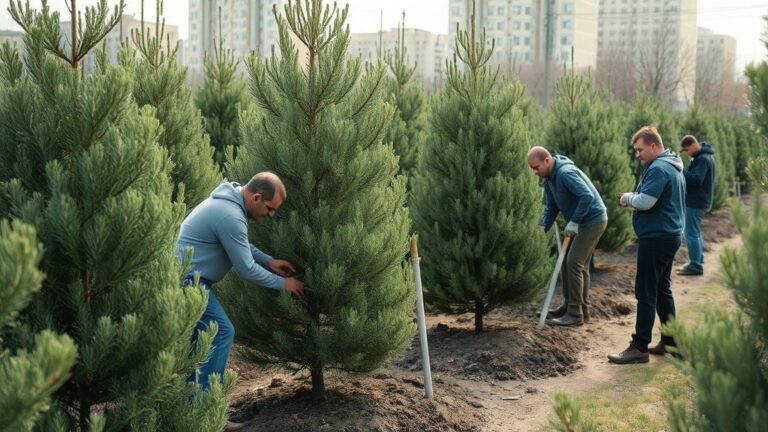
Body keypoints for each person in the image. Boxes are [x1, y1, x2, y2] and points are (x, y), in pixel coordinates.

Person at [177, 172, 303, 431]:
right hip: (189, 281)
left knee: (197, 346)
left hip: (188, 278)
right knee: (222, 332)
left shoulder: (229, 202)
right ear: (256, 197)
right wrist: (284, 284)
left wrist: (268, 260)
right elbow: (245, 268)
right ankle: (209, 414)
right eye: (270, 209)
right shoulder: (230, 214)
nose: (271, 215)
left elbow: (240, 244)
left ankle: (192, 414)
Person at [609, 127, 685, 364]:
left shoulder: (659, 169)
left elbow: (646, 201)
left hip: (657, 237)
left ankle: (639, 346)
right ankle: (672, 343)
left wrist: (626, 198)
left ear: (654, 146)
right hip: (669, 234)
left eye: (640, 150)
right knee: (662, 289)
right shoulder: (672, 166)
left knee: (646, 291)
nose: (637, 155)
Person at [527, 147, 608, 327]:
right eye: (531, 168)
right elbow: (551, 207)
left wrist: (574, 222)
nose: (534, 172)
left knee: (574, 263)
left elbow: (586, 196)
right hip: (583, 221)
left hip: (593, 220)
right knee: (570, 263)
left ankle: (575, 314)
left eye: (536, 167)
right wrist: (542, 228)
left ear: (547, 161)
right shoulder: (548, 179)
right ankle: (575, 307)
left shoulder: (565, 173)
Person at [677, 135, 715, 276]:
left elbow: (697, 180)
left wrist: (681, 170)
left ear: (693, 144)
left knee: (690, 234)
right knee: (695, 232)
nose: (687, 153)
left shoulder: (702, 159)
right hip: (699, 201)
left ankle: (695, 266)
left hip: (696, 202)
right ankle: (697, 260)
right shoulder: (702, 157)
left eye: (687, 150)